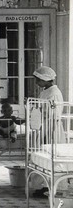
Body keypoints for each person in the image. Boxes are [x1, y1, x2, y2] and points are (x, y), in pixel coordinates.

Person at [31, 65, 64, 197]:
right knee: (42, 158)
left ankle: (52, 187)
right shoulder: (45, 91)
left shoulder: (54, 93)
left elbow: (53, 113)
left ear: (46, 79)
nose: (37, 83)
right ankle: (43, 185)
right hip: (44, 125)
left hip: (52, 126)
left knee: (51, 156)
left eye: (38, 80)